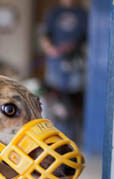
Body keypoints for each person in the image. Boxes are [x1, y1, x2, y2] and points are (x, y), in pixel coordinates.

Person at [40, 0, 88, 143]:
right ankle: (54, 137)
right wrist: (51, 49)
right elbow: (45, 35)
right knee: (54, 100)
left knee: (73, 102)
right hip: (55, 65)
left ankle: (71, 137)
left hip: (75, 64)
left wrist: (69, 47)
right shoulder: (53, 12)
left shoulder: (82, 13)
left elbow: (88, 38)